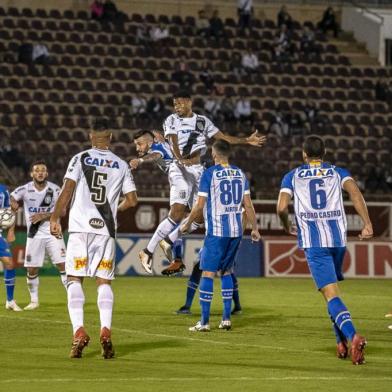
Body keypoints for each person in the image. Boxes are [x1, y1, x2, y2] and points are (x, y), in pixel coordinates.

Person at [138, 91, 266, 276]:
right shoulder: (171, 120)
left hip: (198, 170)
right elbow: (173, 140)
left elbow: (222, 138)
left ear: (189, 102)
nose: (177, 107)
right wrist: (180, 159)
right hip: (179, 168)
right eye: (174, 104)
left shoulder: (202, 121)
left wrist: (246, 140)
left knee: (201, 216)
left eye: (180, 103)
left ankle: (170, 241)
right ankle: (148, 251)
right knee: (177, 212)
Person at [277, 135, 372, 365]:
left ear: (303, 154)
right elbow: (355, 193)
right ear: (325, 152)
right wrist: (367, 223)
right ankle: (340, 342)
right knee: (332, 292)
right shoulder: (338, 172)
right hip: (338, 240)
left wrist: (286, 224)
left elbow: (281, 207)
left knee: (330, 294)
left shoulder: (292, 176)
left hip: (314, 241)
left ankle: (353, 336)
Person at [50, 120, 138, 359]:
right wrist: (112, 210)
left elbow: (67, 190)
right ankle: (106, 331)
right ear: (110, 136)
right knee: (104, 282)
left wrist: (56, 217)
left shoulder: (80, 158)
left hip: (80, 228)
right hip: (106, 230)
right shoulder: (121, 165)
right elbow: (132, 200)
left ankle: (79, 332)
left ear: (91, 136)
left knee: (74, 278)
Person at [180, 140, 261, 331]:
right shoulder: (240, 174)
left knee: (208, 273)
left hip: (216, 232)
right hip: (236, 232)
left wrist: (188, 223)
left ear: (214, 155)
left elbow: (199, 205)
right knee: (227, 271)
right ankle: (226, 319)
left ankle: (205, 322)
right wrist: (254, 228)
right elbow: (248, 205)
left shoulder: (210, 174)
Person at [9, 160, 67, 310]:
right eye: (37, 170)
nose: (40, 172)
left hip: (53, 232)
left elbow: (63, 211)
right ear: (32, 174)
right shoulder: (25, 189)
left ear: (46, 174)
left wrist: (44, 215)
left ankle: (72, 298)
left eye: (43, 170)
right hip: (34, 234)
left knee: (63, 265)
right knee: (32, 269)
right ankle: (34, 301)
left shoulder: (55, 189)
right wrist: (13, 202)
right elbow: (11, 196)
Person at [0, 181, 21, 311]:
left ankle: (10, 301)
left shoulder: (3, 190)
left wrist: (11, 231)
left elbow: (10, 211)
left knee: (9, 264)